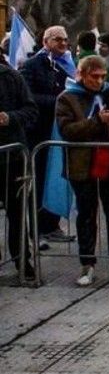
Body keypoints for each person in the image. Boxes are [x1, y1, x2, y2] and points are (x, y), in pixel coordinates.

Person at [56, 55, 109, 286]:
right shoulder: (68, 97)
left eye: (103, 76)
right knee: (86, 215)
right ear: (81, 75)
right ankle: (87, 264)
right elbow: (68, 130)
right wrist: (97, 122)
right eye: (95, 77)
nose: (99, 81)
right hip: (83, 165)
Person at [21, 25, 76, 245]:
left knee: (57, 179)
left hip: (61, 133)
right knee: (39, 181)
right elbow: (29, 97)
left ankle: (52, 224)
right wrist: (60, 102)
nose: (63, 44)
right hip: (41, 134)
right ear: (46, 42)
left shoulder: (68, 65)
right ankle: (36, 230)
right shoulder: (32, 65)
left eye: (65, 40)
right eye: (58, 40)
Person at [0, 54, 38, 280]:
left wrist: (9, 117)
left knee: (17, 213)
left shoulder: (12, 77)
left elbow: (30, 110)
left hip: (12, 158)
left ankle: (22, 259)